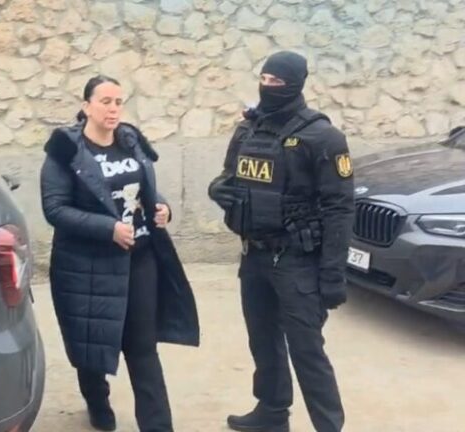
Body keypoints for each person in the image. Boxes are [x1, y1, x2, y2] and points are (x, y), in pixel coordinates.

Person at [40, 75, 200, 432]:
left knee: (142, 347)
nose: (113, 109)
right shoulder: (66, 150)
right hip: (87, 265)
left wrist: (162, 207)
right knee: (92, 345)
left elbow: (143, 191)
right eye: (105, 102)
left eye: (118, 102)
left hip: (140, 258)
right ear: (86, 106)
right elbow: (55, 209)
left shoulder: (130, 141)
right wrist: (107, 228)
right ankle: (97, 403)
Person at [208, 51, 354, 432]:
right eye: (264, 79)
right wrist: (217, 189)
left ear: (296, 84)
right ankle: (272, 413)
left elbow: (340, 209)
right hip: (254, 255)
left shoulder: (323, 137)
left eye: (276, 81)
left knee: (307, 351)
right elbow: (228, 177)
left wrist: (333, 275)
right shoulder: (248, 130)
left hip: (298, 261)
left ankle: (329, 426)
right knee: (263, 341)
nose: (268, 86)